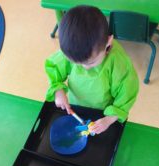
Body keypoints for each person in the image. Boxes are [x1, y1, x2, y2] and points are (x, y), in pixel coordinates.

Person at [45, 5, 139, 135]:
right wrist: (58, 90)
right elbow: (55, 67)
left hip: (103, 111)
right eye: (77, 63)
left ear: (108, 42)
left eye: (91, 63)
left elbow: (127, 93)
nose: (85, 68)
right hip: (75, 103)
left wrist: (109, 119)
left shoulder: (119, 63)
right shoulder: (73, 50)